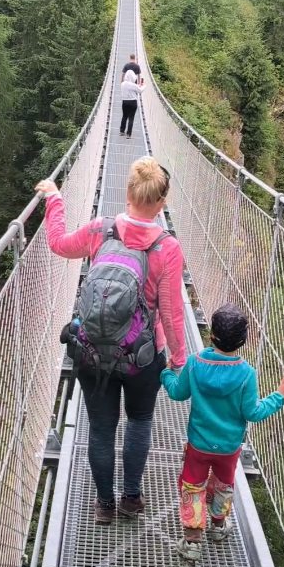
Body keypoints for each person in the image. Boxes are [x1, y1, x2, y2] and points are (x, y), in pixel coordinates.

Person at [36, 159, 187, 525]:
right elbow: (171, 312)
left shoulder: (98, 231)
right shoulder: (167, 249)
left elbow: (57, 243)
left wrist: (55, 200)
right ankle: (130, 498)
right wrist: (179, 360)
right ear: (162, 202)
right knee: (139, 423)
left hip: (91, 352)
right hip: (142, 357)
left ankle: (104, 504)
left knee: (101, 430)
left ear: (127, 192)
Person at [161, 304, 284, 562]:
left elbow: (178, 393)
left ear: (211, 336)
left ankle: (192, 541)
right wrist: (279, 396)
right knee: (224, 484)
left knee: (193, 484)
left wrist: (166, 373)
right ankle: (218, 526)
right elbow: (253, 413)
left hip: (198, 444)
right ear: (243, 341)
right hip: (228, 448)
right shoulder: (247, 374)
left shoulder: (195, 363)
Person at [120, 69, 144, 138]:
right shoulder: (133, 85)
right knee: (131, 118)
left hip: (125, 102)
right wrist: (144, 86)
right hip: (133, 102)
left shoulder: (122, 84)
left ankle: (121, 131)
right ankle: (128, 134)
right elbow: (140, 91)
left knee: (124, 116)